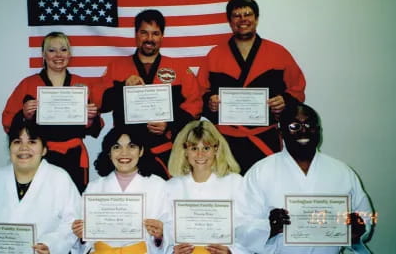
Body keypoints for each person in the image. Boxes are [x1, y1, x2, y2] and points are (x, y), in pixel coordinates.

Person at [237, 103, 374, 253]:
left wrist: (357, 229)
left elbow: (364, 217)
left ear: (319, 130)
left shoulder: (342, 172)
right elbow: (241, 226)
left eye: (310, 125)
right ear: (281, 131)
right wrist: (270, 227)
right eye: (295, 126)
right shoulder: (260, 172)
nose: (303, 131)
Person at [197, 0, 306, 174]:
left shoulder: (278, 53)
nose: (243, 19)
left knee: (266, 189)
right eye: (236, 15)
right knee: (229, 192)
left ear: (256, 18)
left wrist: (285, 101)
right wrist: (210, 101)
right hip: (225, 140)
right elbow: (200, 91)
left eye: (247, 14)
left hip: (264, 138)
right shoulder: (215, 55)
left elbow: (297, 89)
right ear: (229, 21)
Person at [95, 9, 202, 178]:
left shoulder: (179, 68)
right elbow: (101, 104)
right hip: (127, 154)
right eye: (144, 33)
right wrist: (122, 86)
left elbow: (195, 107)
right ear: (136, 34)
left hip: (165, 151)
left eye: (155, 34)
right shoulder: (117, 67)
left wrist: (169, 124)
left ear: (162, 36)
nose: (149, 39)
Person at [0, 118, 80, 254]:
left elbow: (73, 223)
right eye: (17, 142)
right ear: (10, 148)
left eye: (32, 142)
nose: (23, 148)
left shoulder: (60, 179)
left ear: (44, 149)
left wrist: (51, 245)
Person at [2, 31, 102, 193]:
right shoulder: (28, 84)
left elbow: (96, 127)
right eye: (51, 50)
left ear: (69, 54)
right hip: (38, 155)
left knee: (73, 204)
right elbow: (7, 121)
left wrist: (91, 119)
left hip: (73, 155)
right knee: (38, 201)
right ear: (43, 54)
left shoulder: (81, 84)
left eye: (63, 50)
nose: (58, 55)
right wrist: (24, 116)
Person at [71, 126, 170, 254]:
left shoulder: (158, 185)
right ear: (109, 153)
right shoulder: (94, 187)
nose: (124, 153)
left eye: (131, 146)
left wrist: (161, 235)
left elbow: (168, 233)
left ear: (141, 151)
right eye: (117, 147)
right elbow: (84, 241)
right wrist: (81, 236)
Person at [166, 120, 252, 254]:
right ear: (185, 151)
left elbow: (248, 228)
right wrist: (171, 252)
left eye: (206, 148)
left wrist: (232, 251)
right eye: (194, 148)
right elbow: (163, 233)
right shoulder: (171, 187)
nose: (200, 155)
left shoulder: (235, 183)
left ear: (216, 149)